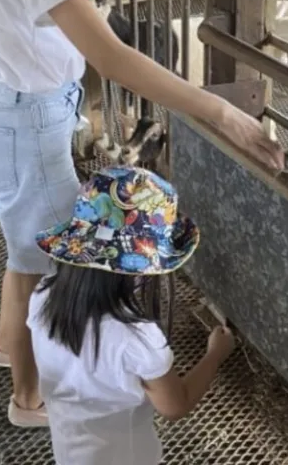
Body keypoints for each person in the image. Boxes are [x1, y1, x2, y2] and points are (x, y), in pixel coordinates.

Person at [0, 0, 283, 426]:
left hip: (12, 107)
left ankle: (9, 346)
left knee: (26, 256)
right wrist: (222, 112)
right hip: (29, 120)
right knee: (44, 271)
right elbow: (111, 58)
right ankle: (28, 399)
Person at [28, 166, 236, 463]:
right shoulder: (136, 336)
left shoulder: (43, 295)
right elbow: (175, 406)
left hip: (68, 451)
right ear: (140, 268)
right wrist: (215, 354)